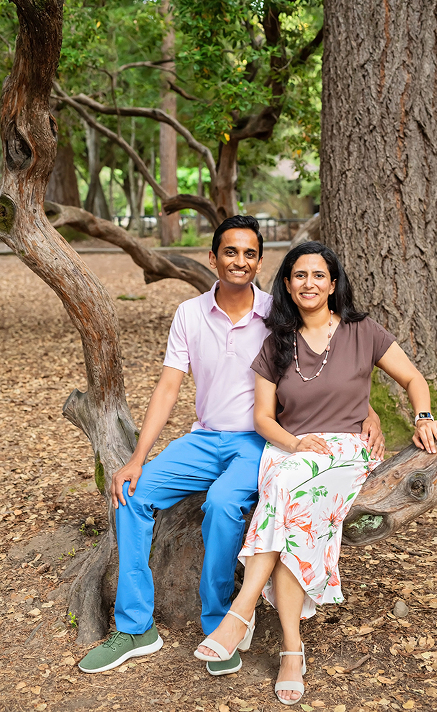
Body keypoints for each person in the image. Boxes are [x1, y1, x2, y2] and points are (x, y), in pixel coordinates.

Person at [78, 220, 384, 677]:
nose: (239, 261)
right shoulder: (189, 314)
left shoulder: (279, 314)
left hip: (259, 441)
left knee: (223, 504)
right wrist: (138, 458)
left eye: (249, 254)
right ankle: (136, 625)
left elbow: (335, 363)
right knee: (130, 493)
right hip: (203, 438)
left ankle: (221, 620)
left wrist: (369, 411)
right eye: (230, 252)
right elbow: (167, 389)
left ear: (260, 262)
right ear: (213, 258)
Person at [194, 241, 437, 704]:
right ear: (287, 285)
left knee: (286, 494)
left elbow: (413, 379)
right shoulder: (276, 343)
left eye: (318, 276)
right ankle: (292, 648)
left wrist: (424, 416)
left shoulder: (362, 330)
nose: (309, 283)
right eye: (299, 276)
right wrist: (293, 443)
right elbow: (263, 419)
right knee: (293, 502)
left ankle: (241, 610)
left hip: (347, 451)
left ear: (333, 284)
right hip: (289, 449)